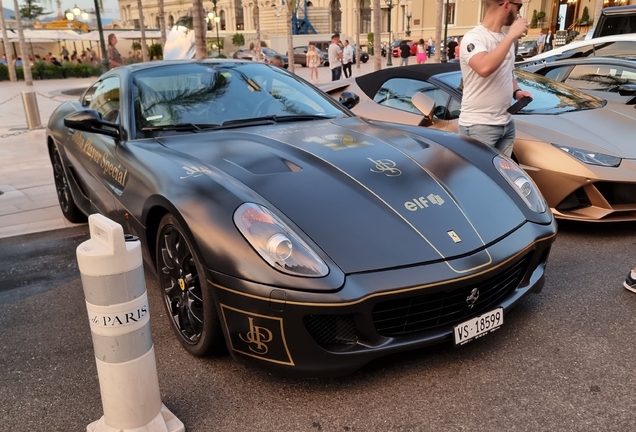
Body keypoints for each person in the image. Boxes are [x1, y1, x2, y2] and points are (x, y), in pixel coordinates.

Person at [457, 0, 532, 157]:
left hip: (506, 122)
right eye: (518, 6)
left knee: (501, 176)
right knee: (479, 179)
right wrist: (511, 34)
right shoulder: (474, 37)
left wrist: (516, 91)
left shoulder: (506, 39)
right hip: (479, 125)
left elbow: (507, 72)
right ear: (506, 4)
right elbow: (484, 67)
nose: (519, 12)